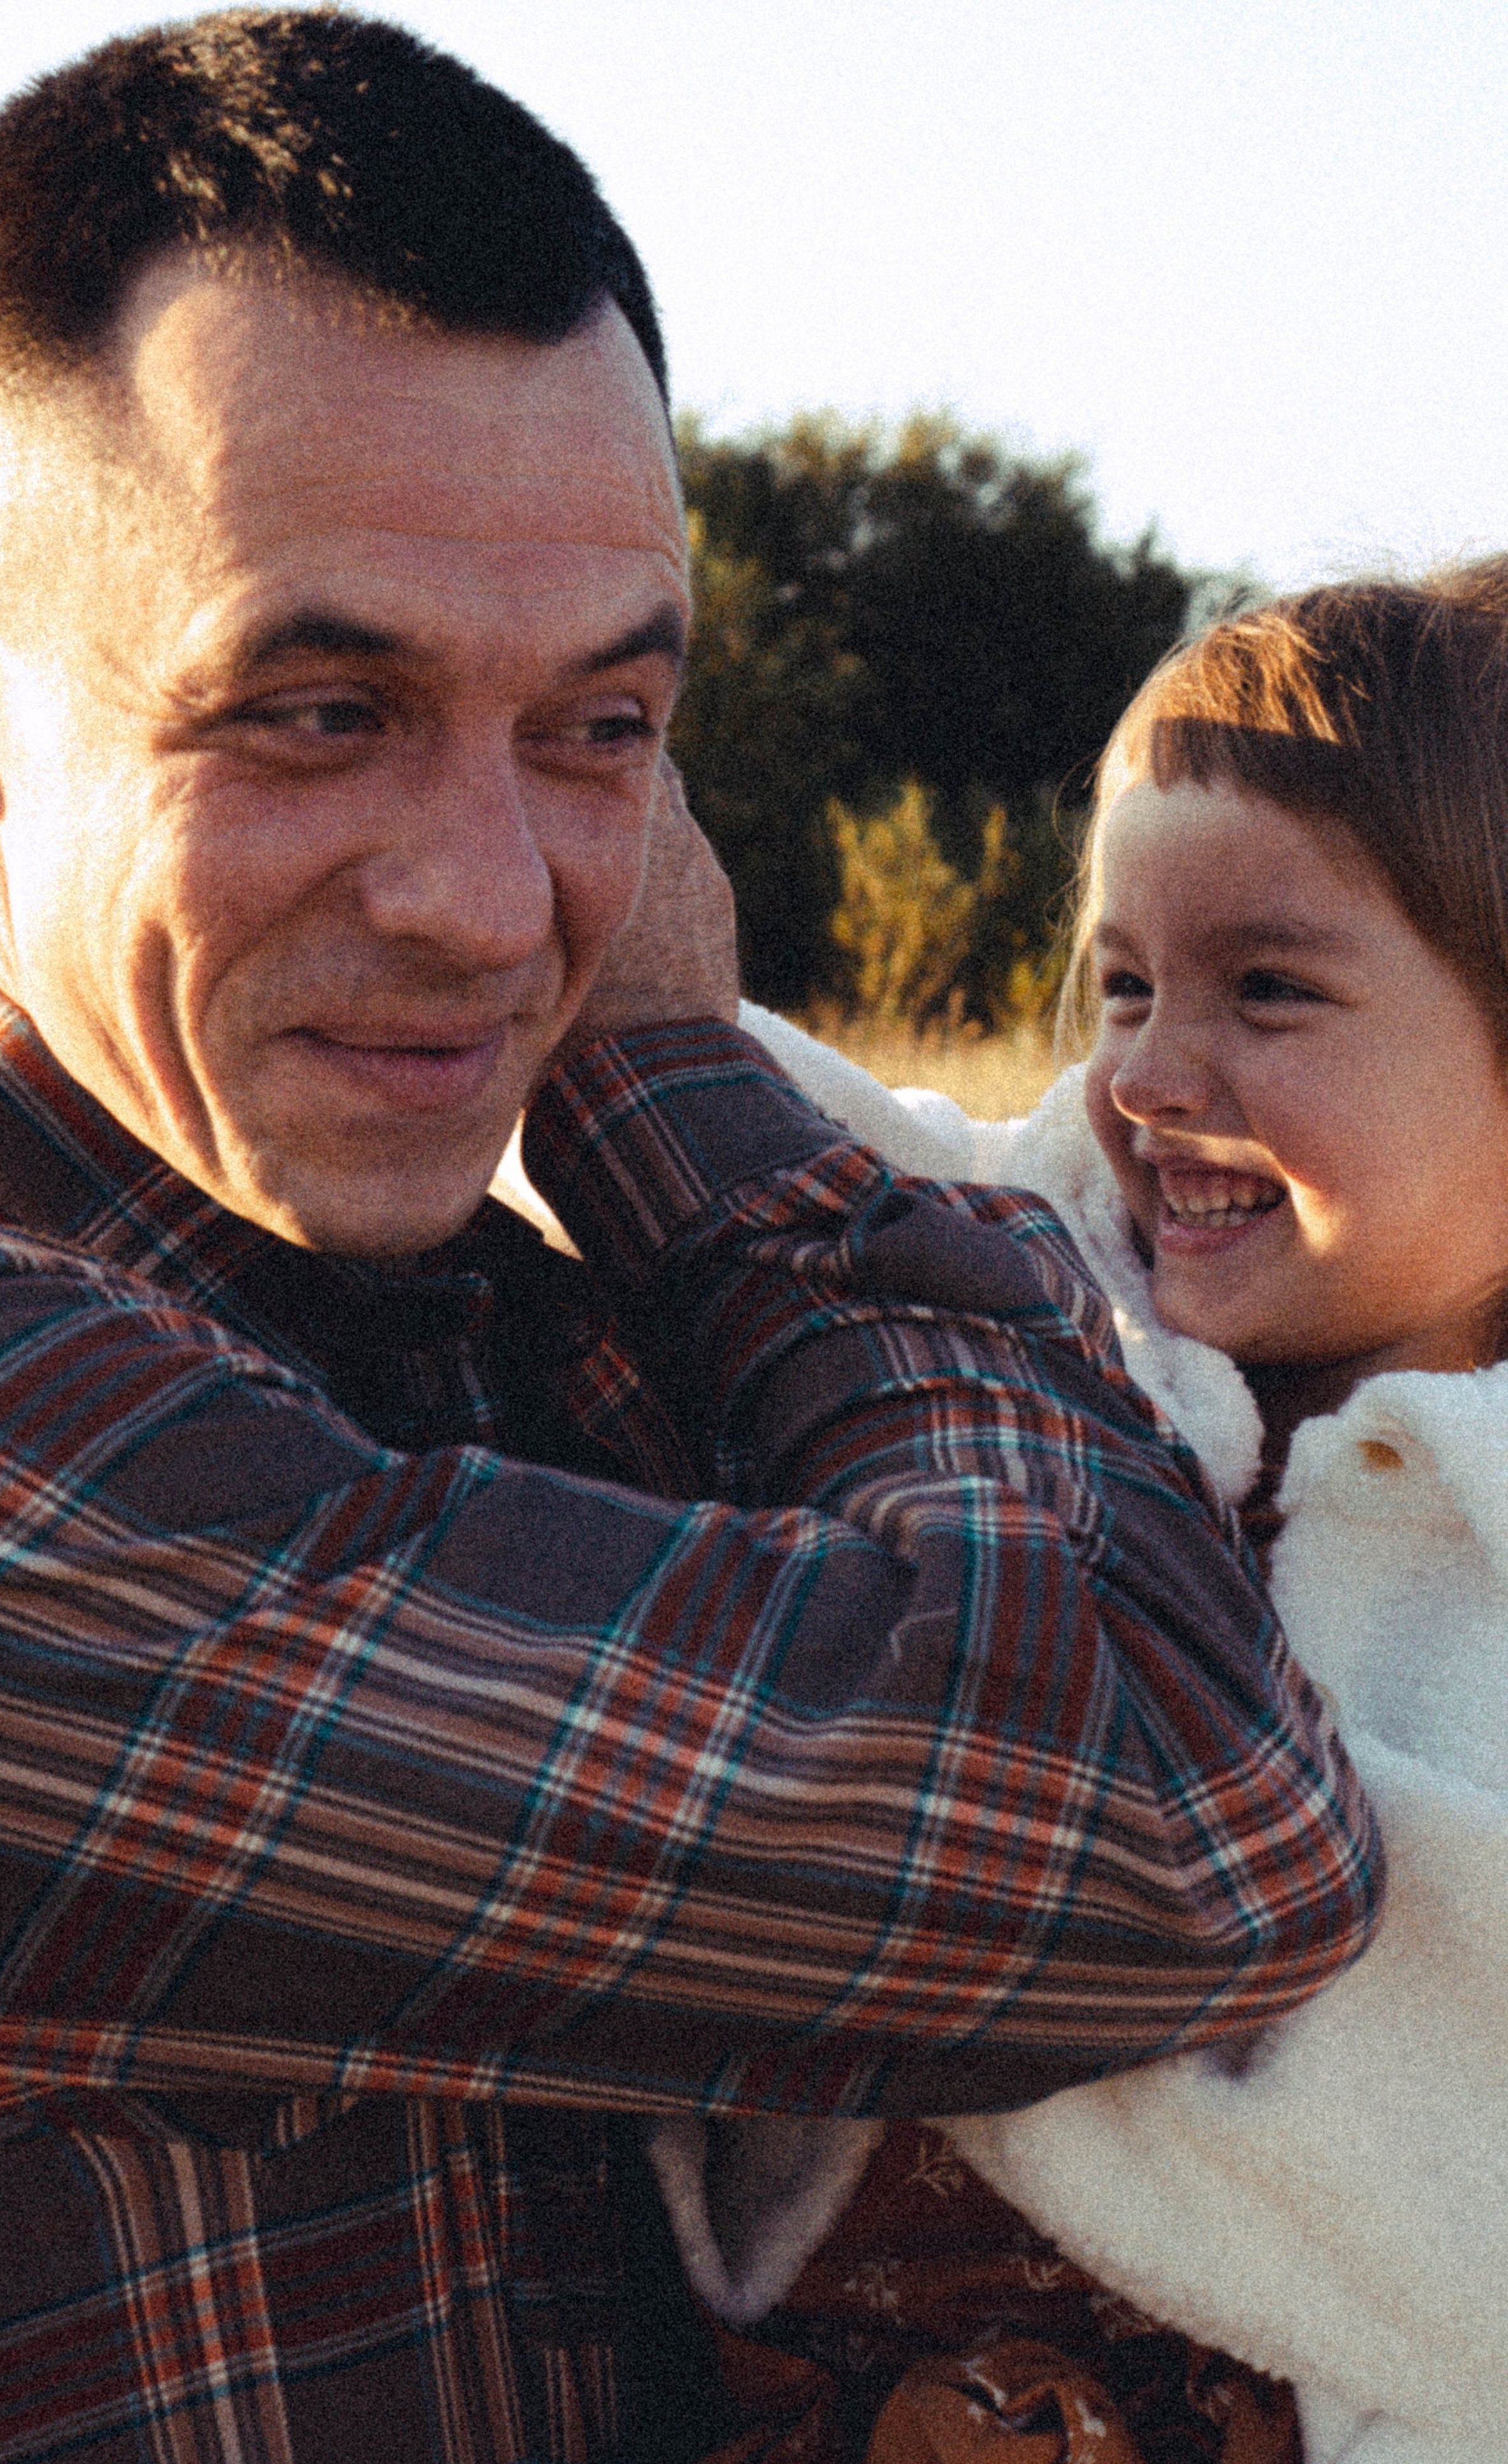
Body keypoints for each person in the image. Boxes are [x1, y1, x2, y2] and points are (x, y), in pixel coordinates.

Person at [0, 13, 1378, 2461]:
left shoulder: (567, 1349)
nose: (489, 907)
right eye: (316, 709)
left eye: (601, 729)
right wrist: (677, 1060)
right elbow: (1179, 1822)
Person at [690, 565, 1508, 2461]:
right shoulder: (1069, 1285)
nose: (1147, 1073)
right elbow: (821, 1145)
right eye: (1126, 981)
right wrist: (598, 991)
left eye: (1269, 991)